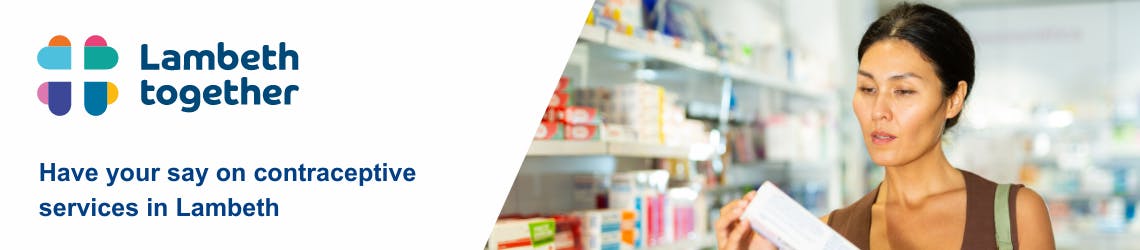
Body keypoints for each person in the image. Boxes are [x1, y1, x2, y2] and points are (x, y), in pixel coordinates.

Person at [714, 3, 1055, 250]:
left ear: (953, 99)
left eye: (903, 91)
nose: (879, 110)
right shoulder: (829, 233)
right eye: (867, 89)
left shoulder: (1014, 216)